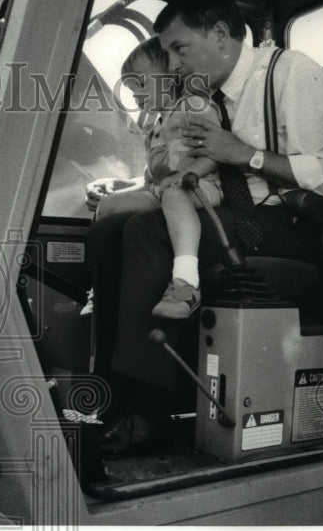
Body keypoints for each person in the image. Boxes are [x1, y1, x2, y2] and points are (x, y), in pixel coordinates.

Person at [89, 0, 323, 457]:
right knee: (107, 232)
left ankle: (148, 412)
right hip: (225, 214)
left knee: (146, 233)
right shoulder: (204, 96)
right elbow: (183, 164)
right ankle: (111, 392)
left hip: (284, 224)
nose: (175, 63)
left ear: (222, 35)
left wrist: (244, 155)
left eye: (180, 48)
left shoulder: (292, 74)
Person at [83, 36, 224, 319]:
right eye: (132, 89)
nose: (136, 95)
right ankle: (99, 286)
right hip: (162, 191)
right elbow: (152, 179)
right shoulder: (156, 126)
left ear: (171, 77)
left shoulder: (194, 107)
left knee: (174, 193)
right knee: (107, 206)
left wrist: (185, 176)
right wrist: (126, 185)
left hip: (200, 188)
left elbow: (215, 154)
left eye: (142, 85)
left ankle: (186, 281)